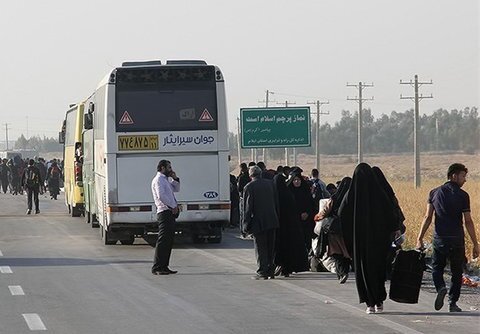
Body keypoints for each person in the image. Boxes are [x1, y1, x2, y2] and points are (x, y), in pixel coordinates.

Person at [416, 163, 479, 312]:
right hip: (457, 239)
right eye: (463, 176)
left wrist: (419, 238)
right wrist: (475, 243)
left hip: (440, 239)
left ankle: (441, 288)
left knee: (437, 268)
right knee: (457, 272)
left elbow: (428, 216)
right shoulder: (463, 196)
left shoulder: (434, 193)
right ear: (453, 176)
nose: (465, 180)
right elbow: (468, 221)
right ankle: (453, 303)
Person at [338, 163, 400, 314]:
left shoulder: (351, 196)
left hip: (359, 242)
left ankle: (369, 303)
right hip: (379, 240)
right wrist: (394, 229)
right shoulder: (379, 195)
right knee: (378, 269)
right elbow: (391, 214)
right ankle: (378, 301)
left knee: (364, 270)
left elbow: (341, 214)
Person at [242, 166, 279, 280]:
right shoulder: (271, 184)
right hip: (272, 220)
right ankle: (271, 270)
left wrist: (245, 226)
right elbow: (276, 202)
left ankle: (262, 271)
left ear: (250, 176)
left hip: (258, 221)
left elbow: (247, 208)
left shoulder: (249, 187)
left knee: (260, 247)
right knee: (270, 247)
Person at [314, 177, 352, 283]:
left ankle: (341, 273)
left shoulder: (334, 198)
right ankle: (344, 272)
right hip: (347, 231)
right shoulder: (354, 199)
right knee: (346, 253)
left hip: (333, 229)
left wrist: (317, 217)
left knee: (336, 252)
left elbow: (324, 212)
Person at [273, 170, 309, 277]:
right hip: (291, 227)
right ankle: (287, 269)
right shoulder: (288, 193)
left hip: (280, 227)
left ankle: (280, 265)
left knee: (280, 248)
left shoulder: (276, 195)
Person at [151, 160, 180, 275]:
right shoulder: (158, 180)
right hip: (164, 212)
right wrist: (172, 206)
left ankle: (164, 266)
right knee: (163, 241)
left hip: (170, 212)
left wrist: (175, 178)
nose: (171, 169)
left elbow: (176, 189)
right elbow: (161, 195)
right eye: (169, 167)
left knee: (169, 241)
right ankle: (157, 267)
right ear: (162, 168)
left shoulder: (165, 180)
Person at [288, 168, 315, 254]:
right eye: (295, 180)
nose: (297, 182)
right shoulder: (289, 192)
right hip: (294, 221)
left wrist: (307, 213)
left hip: (306, 221)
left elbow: (311, 204)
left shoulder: (305, 190)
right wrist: (297, 215)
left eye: (298, 180)